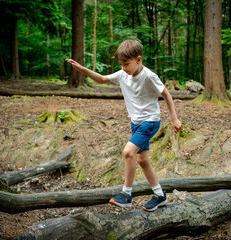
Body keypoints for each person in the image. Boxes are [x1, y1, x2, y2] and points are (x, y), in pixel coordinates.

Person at [66, 39, 182, 211]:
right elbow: (102, 79)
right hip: (136, 124)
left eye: (126, 64)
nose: (123, 68)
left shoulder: (149, 76)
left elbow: (167, 95)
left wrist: (174, 119)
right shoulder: (123, 74)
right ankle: (160, 195)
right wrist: (82, 69)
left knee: (128, 153)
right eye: (121, 64)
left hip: (150, 122)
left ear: (139, 59)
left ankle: (126, 194)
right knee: (142, 160)